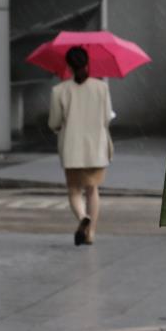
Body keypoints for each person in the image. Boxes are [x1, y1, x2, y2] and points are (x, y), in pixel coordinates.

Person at [48, 46, 113, 245]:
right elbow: (107, 117)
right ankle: (91, 233)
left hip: (72, 149)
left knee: (74, 190)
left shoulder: (59, 91)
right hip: (96, 148)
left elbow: (54, 122)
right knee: (92, 189)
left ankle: (83, 217)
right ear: (87, 63)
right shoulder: (101, 88)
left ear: (68, 66)